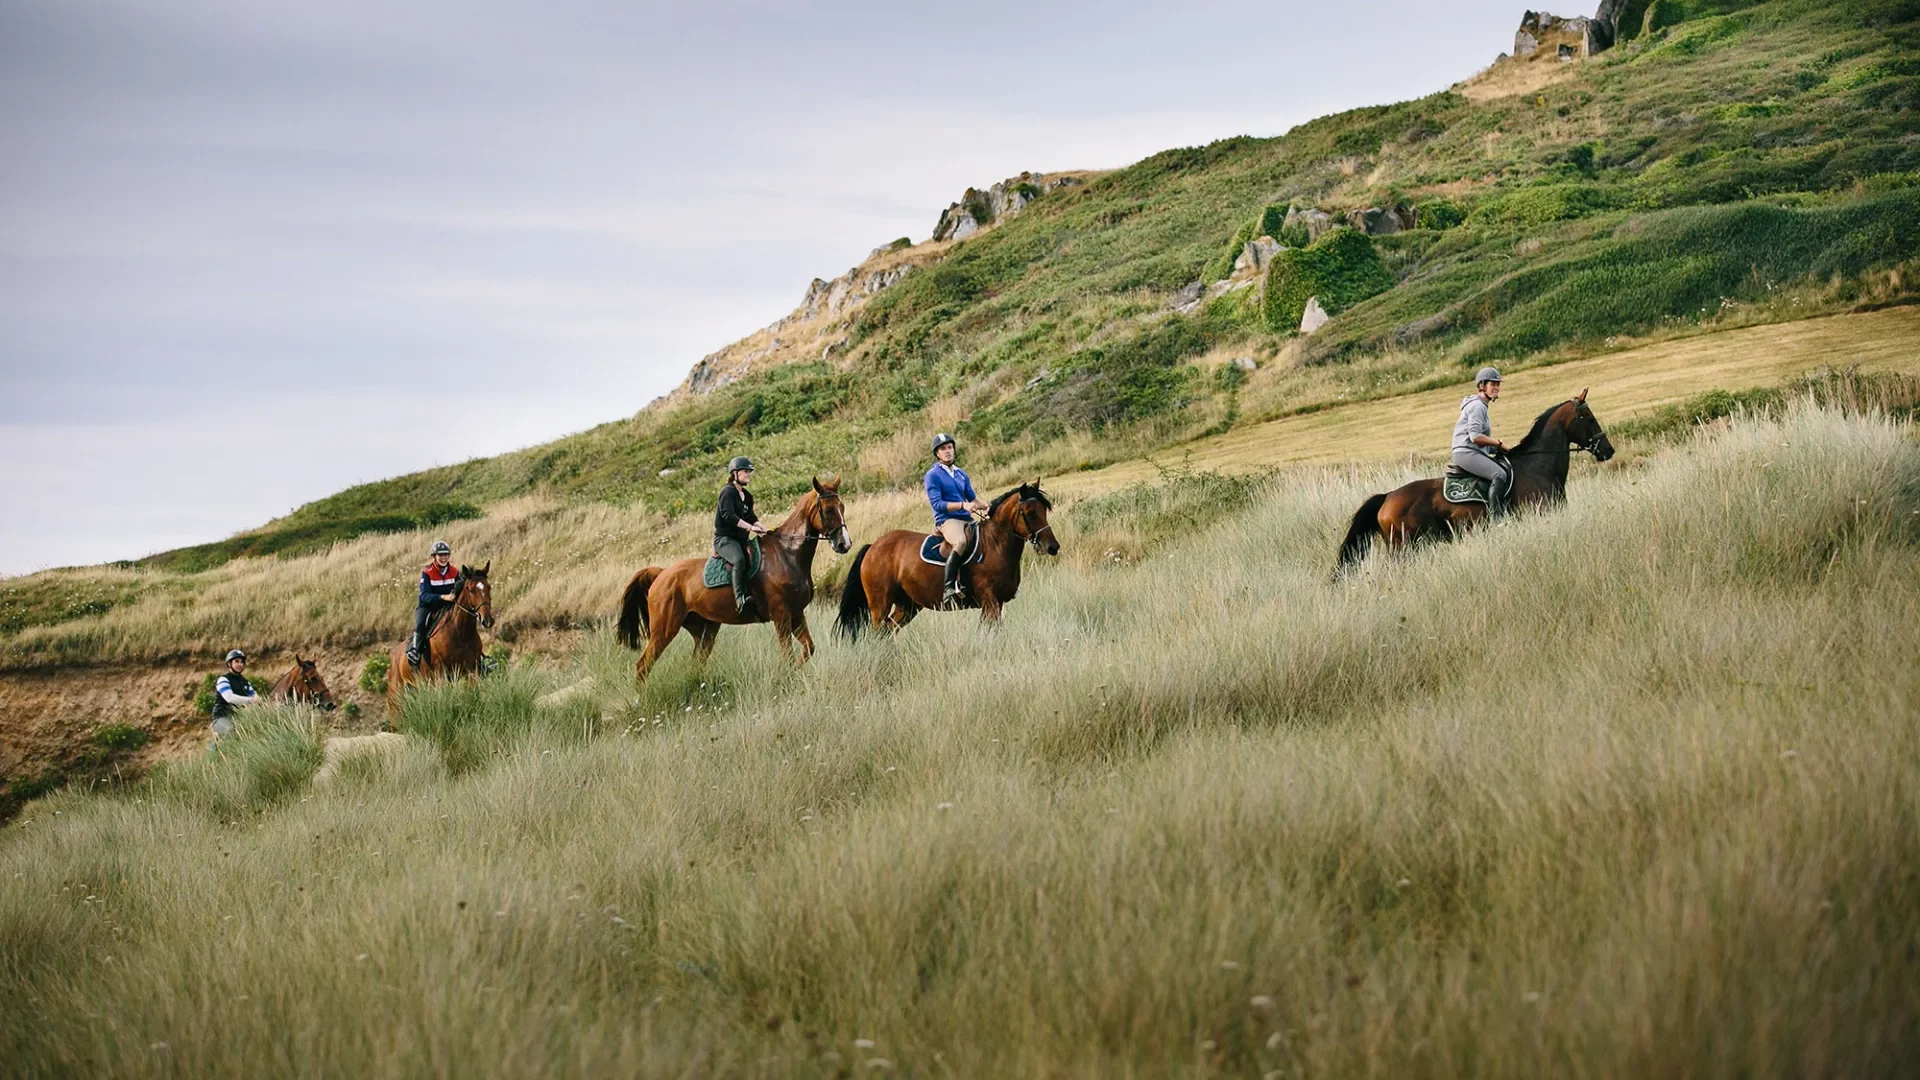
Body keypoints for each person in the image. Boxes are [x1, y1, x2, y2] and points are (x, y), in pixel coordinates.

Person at [925, 433, 989, 607]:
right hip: (947, 520)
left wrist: (987, 507)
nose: (948, 451)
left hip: (966, 518)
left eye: (950, 447)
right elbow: (938, 504)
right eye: (943, 449)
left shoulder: (961, 474)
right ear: (937, 454)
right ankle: (948, 587)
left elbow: (973, 499)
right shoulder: (933, 475)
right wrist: (962, 505)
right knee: (960, 542)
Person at [1452, 366, 1513, 514]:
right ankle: (1496, 517)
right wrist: (1498, 443)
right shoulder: (1477, 406)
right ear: (1481, 386)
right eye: (1493, 384)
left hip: (1471, 451)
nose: (1497, 388)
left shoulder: (1482, 406)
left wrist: (1499, 449)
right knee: (1499, 474)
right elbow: (1475, 437)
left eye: (1498, 384)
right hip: (1466, 453)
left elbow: (1481, 443)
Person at [714, 456, 769, 614]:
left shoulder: (747, 497)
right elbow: (728, 516)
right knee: (739, 559)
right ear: (735, 473)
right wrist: (751, 527)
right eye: (745, 471)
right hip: (725, 540)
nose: (748, 475)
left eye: (749, 472)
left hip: (741, 540)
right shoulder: (727, 492)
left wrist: (763, 528)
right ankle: (740, 599)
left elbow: (751, 517)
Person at [408, 540, 460, 667]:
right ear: (434, 557)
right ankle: (415, 651)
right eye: (440, 555)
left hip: (448, 607)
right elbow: (424, 596)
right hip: (428, 607)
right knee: (421, 624)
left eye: (446, 555)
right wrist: (443, 597)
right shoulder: (427, 572)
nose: (443, 558)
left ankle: (479, 659)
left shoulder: (454, 571)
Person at [209, 649, 259, 748]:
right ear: (229, 664)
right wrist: (250, 700)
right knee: (230, 731)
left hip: (238, 718)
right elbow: (229, 698)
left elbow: (256, 697)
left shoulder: (245, 682)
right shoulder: (223, 679)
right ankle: (214, 751)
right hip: (220, 718)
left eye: (241, 662)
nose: (240, 664)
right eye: (236, 661)